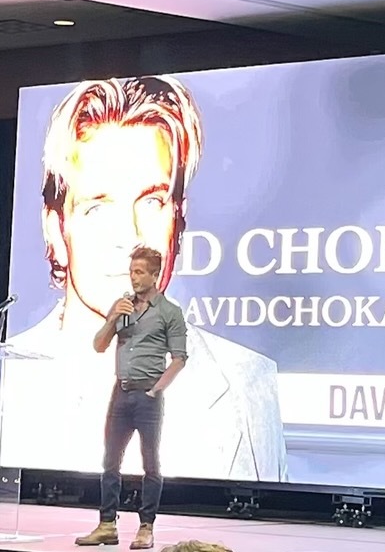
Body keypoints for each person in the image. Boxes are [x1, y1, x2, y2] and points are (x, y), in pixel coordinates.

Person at [1, 76, 287, 485]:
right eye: (98, 208)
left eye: (152, 202)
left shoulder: (248, 380)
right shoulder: (9, 380)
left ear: (179, 219)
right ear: (56, 230)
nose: (130, 236)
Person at [76, 246, 187, 549]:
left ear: (155, 275)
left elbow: (179, 359)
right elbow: (99, 345)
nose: (134, 278)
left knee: (150, 463)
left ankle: (146, 527)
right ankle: (107, 525)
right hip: (120, 392)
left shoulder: (169, 312)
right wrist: (112, 318)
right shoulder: (122, 306)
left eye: (139, 272)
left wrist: (155, 390)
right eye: (132, 272)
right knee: (110, 461)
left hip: (148, 395)